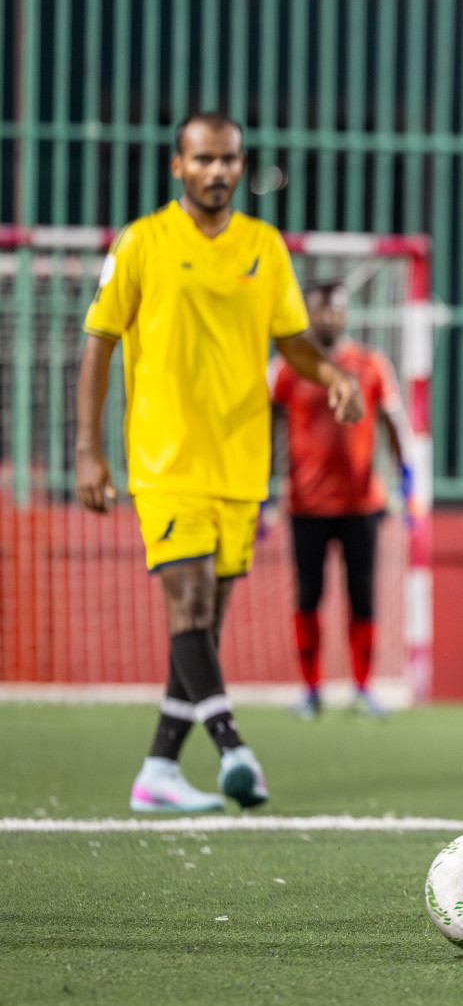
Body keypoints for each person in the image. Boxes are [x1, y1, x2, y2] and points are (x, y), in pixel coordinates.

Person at [77, 112, 362, 813]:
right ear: (178, 166)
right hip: (164, 458)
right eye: (202, 158)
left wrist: (329, 375)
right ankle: (235, 747)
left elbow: (293, 341)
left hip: (240, 465)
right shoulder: (142, 243)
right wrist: (87, 449)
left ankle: (158, 772)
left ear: (240, 166)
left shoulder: (264, 246)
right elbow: (99, 344)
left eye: (228, 159)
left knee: (203, 624)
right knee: (191, 601)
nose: (217, 171)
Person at [270, 282, 408, 719]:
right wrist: (263, 491)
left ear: (347, 315)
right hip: (306, 505)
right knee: (308, 596)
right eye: (319, 311)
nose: (328, 318)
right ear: (306, 314)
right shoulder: (288, 369)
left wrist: (407, 478)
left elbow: (393, 426)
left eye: (335, 311)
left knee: (362, 596)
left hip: (362, 504)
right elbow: (268, 430)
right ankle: (311, 689)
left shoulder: (370, 365)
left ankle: (363, 687)